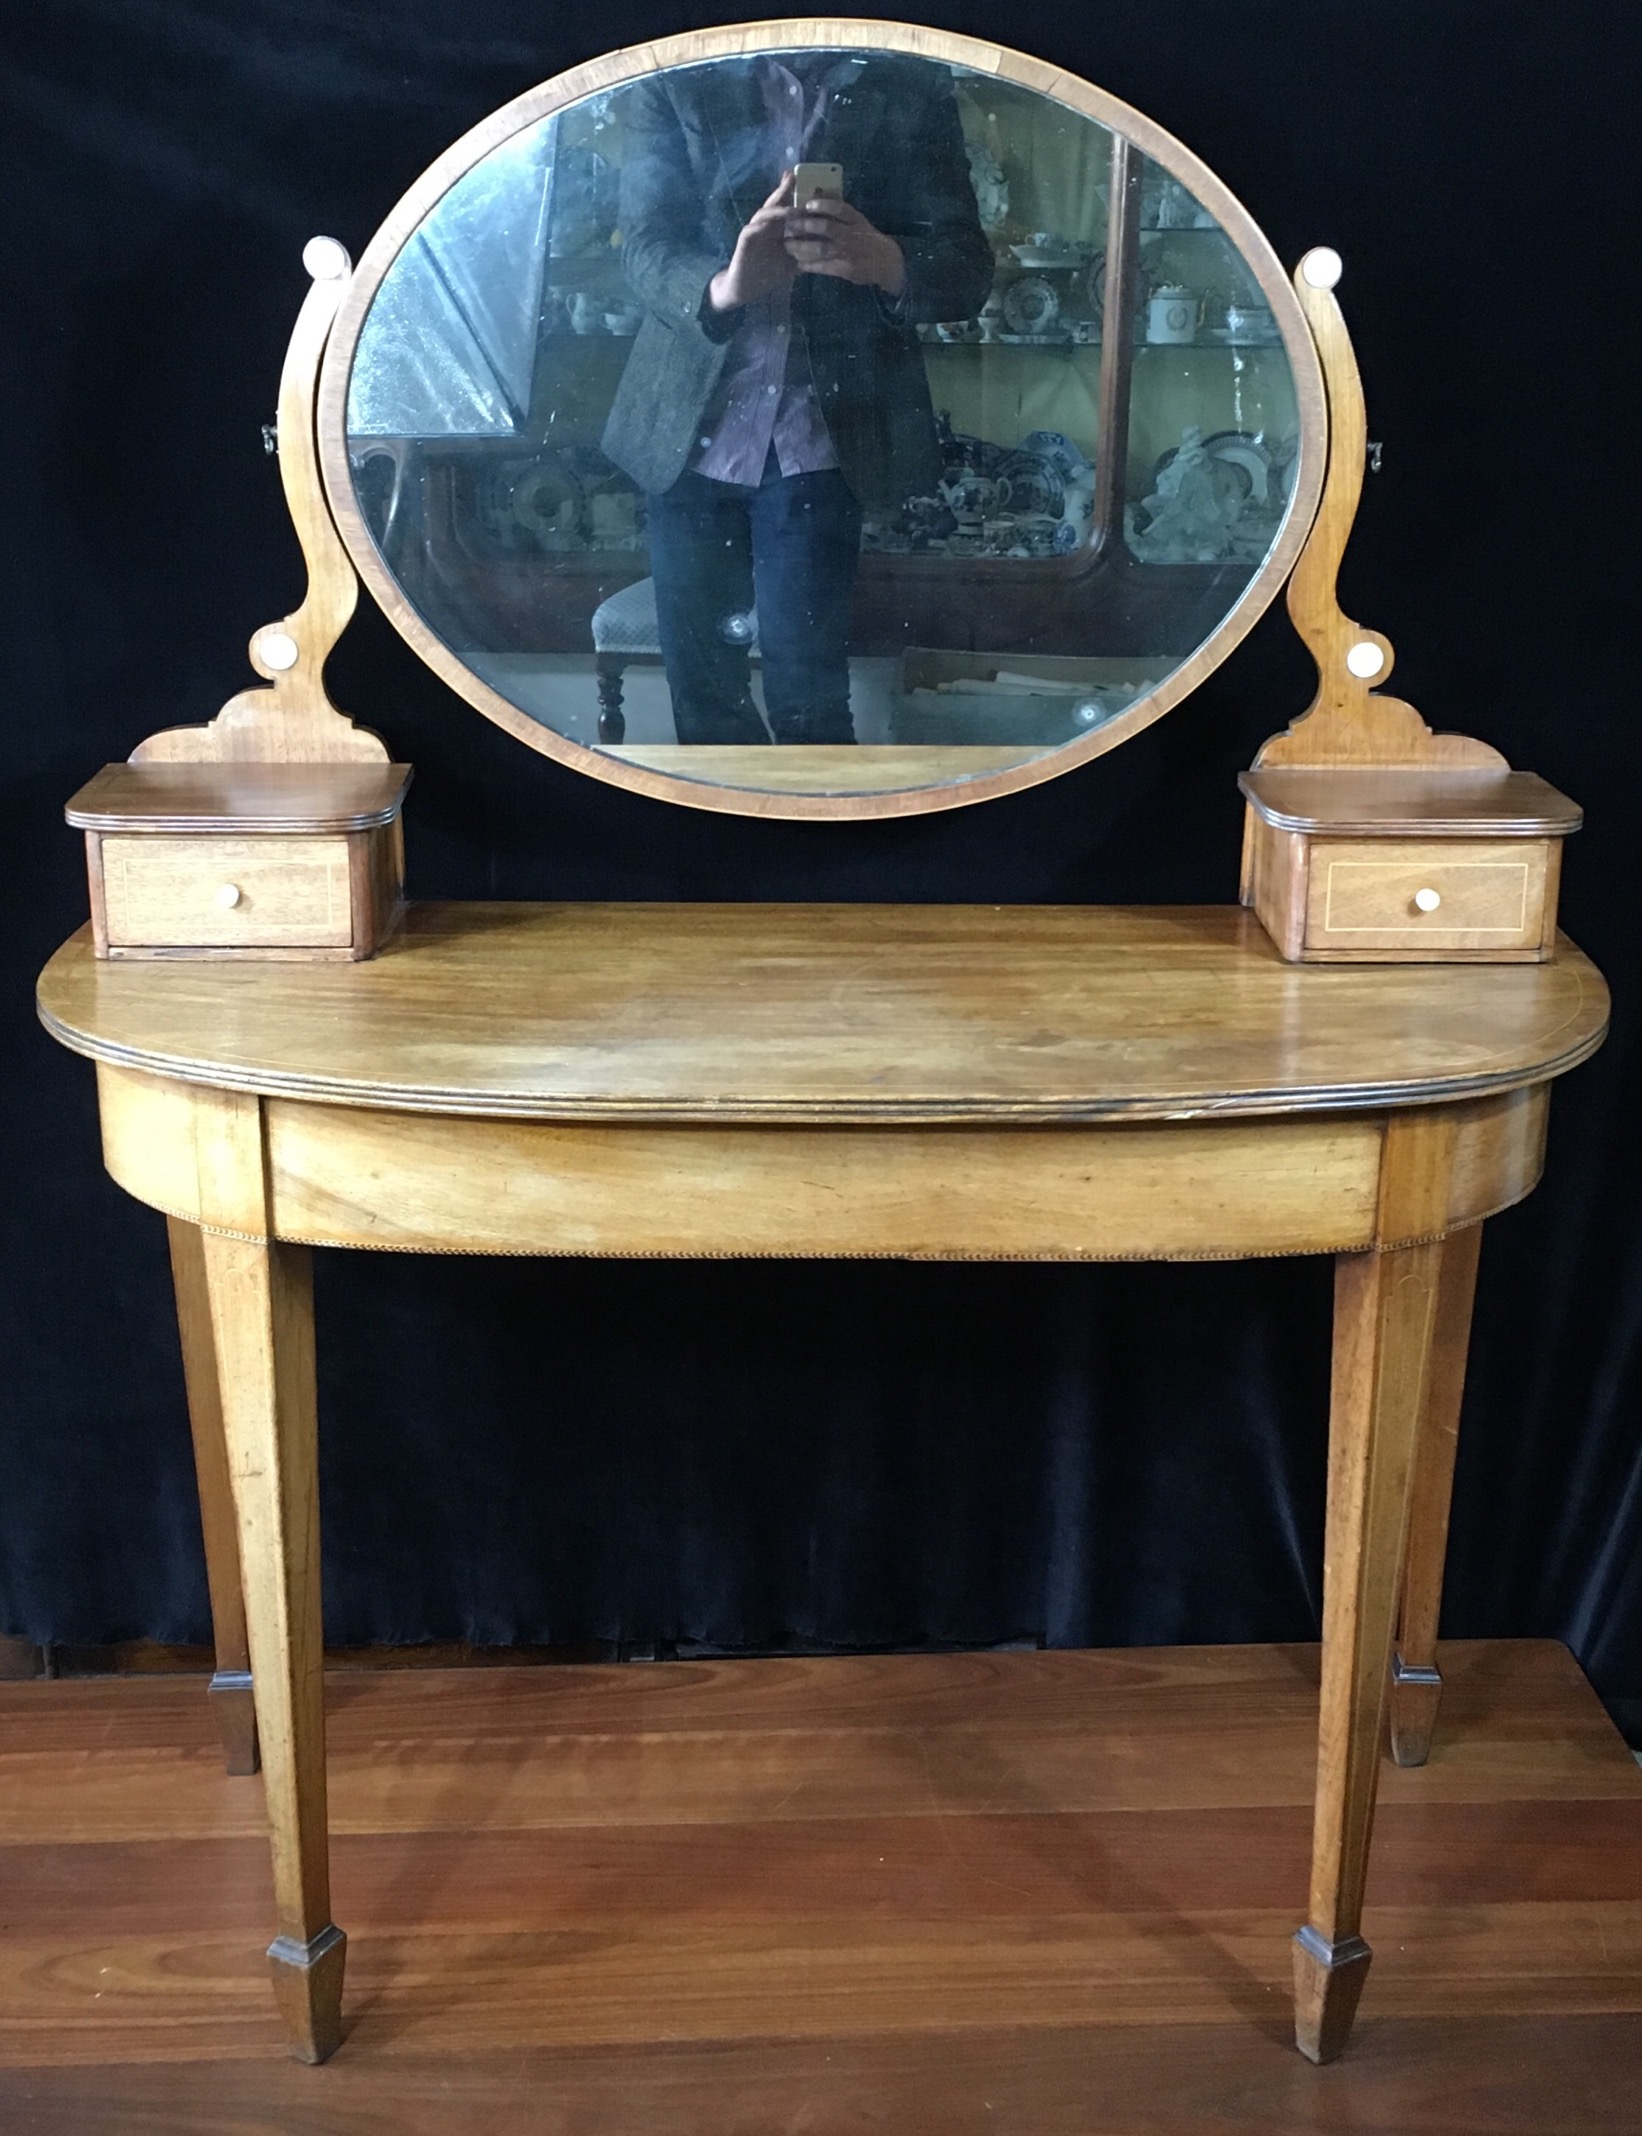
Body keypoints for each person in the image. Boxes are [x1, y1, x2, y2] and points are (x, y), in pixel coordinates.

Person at [601, 53, 992, 743]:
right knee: (701, 697)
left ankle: (821, 850)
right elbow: (643, 247)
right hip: (688, 435)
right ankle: (729, 851)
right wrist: (724, 285)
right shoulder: (682, 74)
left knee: (809, 697)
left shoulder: (908, 84)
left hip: (824, 433)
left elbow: (966, 266)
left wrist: (885, 261)